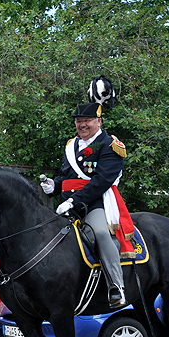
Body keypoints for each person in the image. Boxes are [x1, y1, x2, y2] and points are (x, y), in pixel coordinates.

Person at [40, 89, 132, 310]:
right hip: (67, 204)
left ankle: (116, 286)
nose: (82, 125)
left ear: (99, 121)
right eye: (79, 121)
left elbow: (101, 181)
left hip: (95, 201)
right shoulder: (71, 146)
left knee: (100, 233)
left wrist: (74, 201)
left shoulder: (110, 145)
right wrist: (54, 186)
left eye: (87, 121)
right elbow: (66, 176)